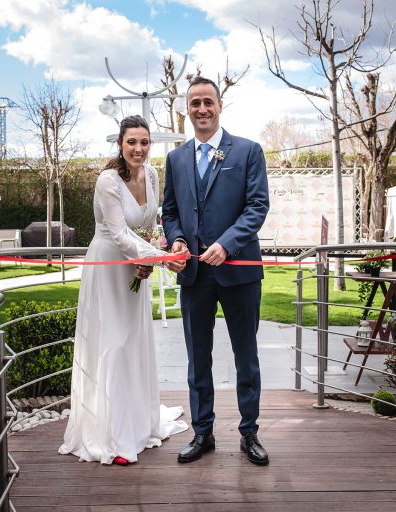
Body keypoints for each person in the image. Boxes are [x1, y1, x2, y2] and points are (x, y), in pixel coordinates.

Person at [59, 115, 188, 466]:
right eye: (132, 142)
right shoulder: (107, 181)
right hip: (108, 268)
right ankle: (114, 438)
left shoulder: (153, 175)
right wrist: (161, 258)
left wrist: (150, 255)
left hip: (137, 269)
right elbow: (118, 234)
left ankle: (138, 425)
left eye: (145, 142)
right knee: (113, 344)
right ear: (120, 143)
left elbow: (149, 225)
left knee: (133, 342)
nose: (139, 149)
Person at [162, 77, 270, 465]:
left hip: (239, 272)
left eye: (208, 101)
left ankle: (249, 433)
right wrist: (176, 241)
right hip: (194, 275)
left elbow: (257, 206)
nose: (202, 109)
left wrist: (227, 244)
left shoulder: (248, 151)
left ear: (220, 105)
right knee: (198, 358)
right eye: (195, 103)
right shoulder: (175, 159)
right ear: (186, 109)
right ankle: (202, 432)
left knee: (246, 356)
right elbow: (170, 212)